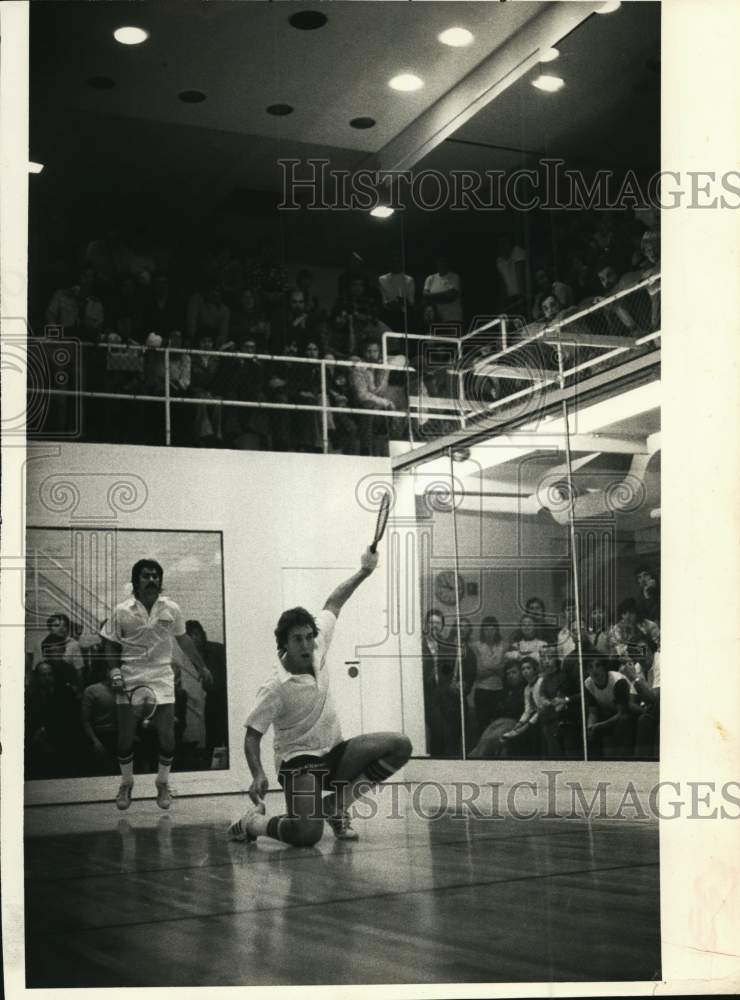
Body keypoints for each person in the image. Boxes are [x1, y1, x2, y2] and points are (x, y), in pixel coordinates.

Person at [228, 548, 412, 846]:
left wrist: (364, 571)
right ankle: (254, 823)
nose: (306, 644)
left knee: (400, 745)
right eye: (297, 639)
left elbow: (334, 601)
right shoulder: (275, 686)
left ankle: (335, 807)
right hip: (299, 762)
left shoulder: (318, 644)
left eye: (308, 636)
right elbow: (252, 736)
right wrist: (257, 774)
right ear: (284, 644)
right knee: (306, 835)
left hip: (335, 753)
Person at [101, 559, 213, 810]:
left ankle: (162, 782)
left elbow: (183, 640)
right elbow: (108, 642)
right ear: (135, 581)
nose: (151, 580)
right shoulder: (121, 610)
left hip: (162, 677)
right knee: (125, 739)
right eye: (146, 576)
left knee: (167, 737)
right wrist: (115, 671)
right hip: (130, 676)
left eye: (155, 576)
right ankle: (127, 783)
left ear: (160, 581)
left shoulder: (171, 608)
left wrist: (201, 667)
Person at [185, 619, 228, 762]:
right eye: (190, 636)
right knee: (211, 732)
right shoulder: (194, 655)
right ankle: (211, 761)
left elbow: (218, 680)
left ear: (203, 634)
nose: (194, 638)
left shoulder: (217, 649)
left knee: (225, 732)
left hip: (225, 696)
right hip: (212, 696)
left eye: (196, 634)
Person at [470, 616, 507, 736]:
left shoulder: (504, 645)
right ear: (482, 631)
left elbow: (504, 672)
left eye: (492, 629)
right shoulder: (476, 646)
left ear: (497, 630)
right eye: (486, 629)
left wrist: (489, 668)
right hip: (482, 691)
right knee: (483, 726)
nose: (489, 632)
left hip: (499, 691)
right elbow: (479, 673)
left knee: (498, 727)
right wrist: (497, 668)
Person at [80, 666, 118, 775]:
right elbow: (85, 719)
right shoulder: (92, 690)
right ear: (107, 671)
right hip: (100, 735)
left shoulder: (123, 690)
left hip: (118, 736)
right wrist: (95, 740)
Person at [41, 613, 86, 692]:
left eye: (64, 625)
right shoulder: (42, 643)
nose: (61, 628)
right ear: (49, 628)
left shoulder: (73, 644)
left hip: (65, 684)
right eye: (56, 625)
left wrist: (80, 692)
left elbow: (79, 671)